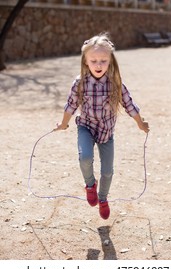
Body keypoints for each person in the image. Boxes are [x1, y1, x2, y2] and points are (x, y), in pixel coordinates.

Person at [54, 33, 149, 219]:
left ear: (110, 62)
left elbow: (129, 103)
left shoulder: (115, 83)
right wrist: (63, 124)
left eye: (103, 61)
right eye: (94, 60)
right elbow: (71, 105)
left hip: (106, 132)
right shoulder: (80, 83)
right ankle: (90, 185)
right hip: (86, 127)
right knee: (85, 158)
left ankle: (103, 198)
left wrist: (140, 122)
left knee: (108, 171)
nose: (98, 65)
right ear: (85, 62)